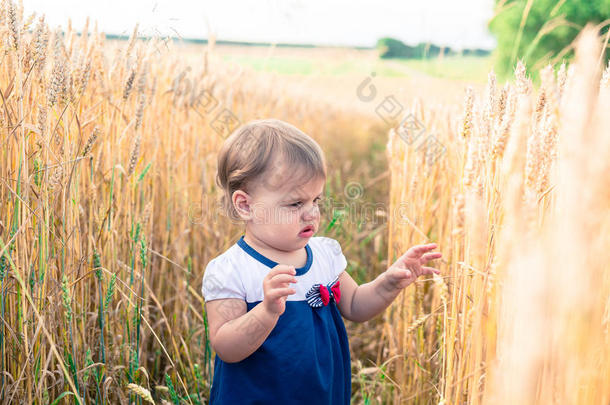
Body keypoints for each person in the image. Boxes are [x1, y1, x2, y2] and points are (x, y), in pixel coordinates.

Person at [201, 118, 442, 404]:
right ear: (245, 205)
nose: (311, 213)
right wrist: (265, 312)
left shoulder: (324, 256)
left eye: (316, 200)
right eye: (295, 204)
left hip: (320, 394)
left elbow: (355, 305)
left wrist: (389, 282)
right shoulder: (231, 270)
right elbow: (226, 347)